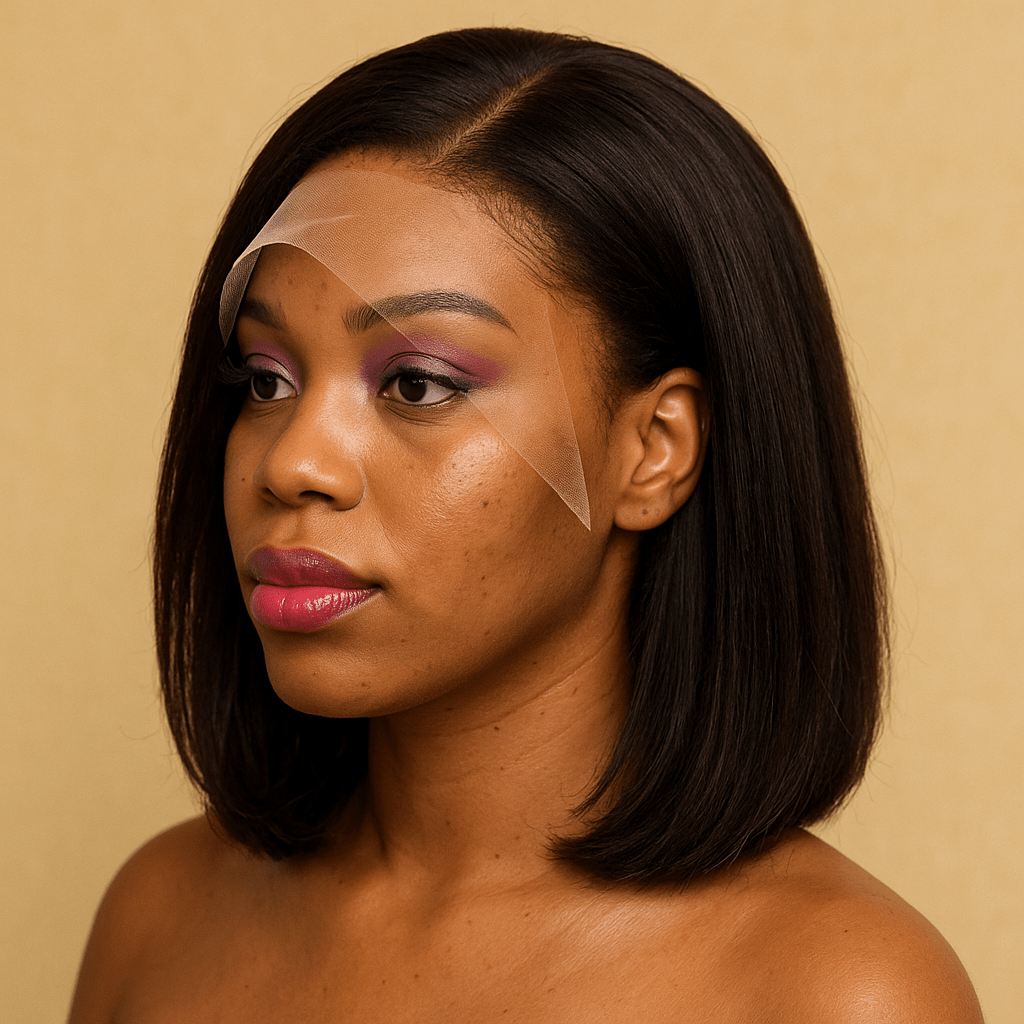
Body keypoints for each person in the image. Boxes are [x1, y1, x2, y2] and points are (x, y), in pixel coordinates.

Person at [68, 27, 983, 1023]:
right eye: (265, 379)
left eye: (417, 384)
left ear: (654, 449)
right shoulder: (160, 918)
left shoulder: (837, 994)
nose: (294, 463)